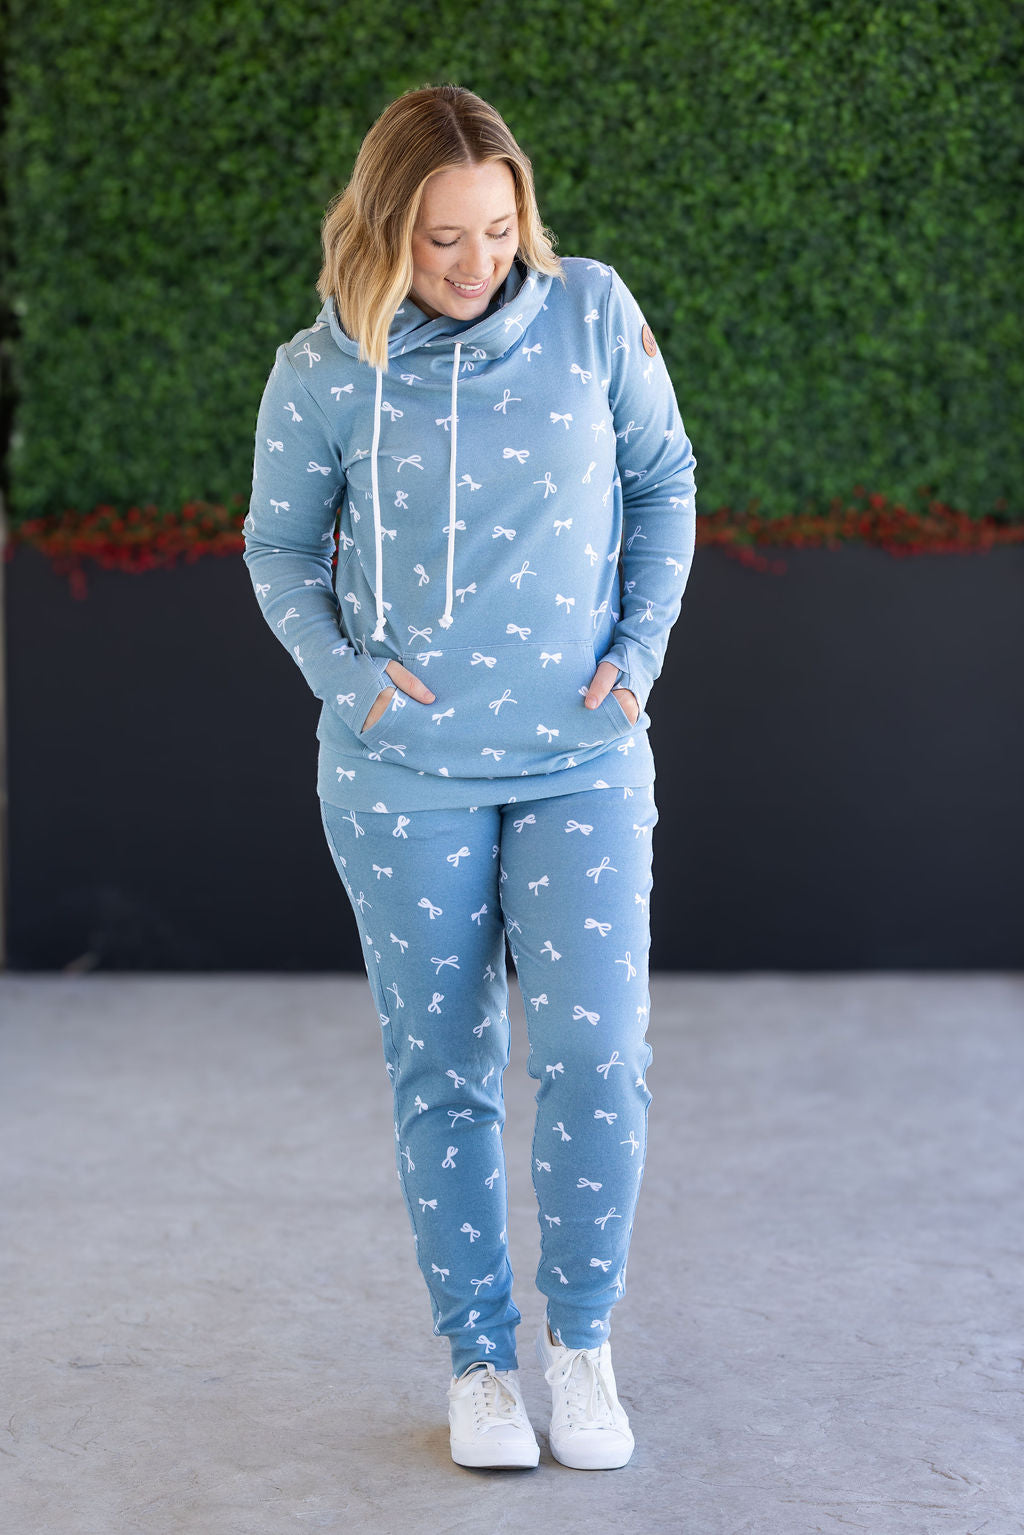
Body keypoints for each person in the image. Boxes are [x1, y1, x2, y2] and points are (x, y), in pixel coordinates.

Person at [243, 83, 697, 1471]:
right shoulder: (321, 373)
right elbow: (278, 552)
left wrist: (640, 650)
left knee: (599, 1061)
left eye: (498, 231)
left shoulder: (592, 312)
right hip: (402, 777)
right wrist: (353, 682)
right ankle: (482, 1365)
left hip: (581, 759)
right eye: (443, 238)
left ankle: (583, 1348)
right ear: (385, 229)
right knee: (443, 1071)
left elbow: (665, 477)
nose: (476, 262)